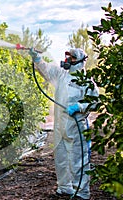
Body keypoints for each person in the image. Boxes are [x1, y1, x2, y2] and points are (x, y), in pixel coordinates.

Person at [29, 48, 99, 200]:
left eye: (72, 58)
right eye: (67, 57)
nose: (67, 61)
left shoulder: (86, 82)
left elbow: (95, 102)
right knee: (61, 158)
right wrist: (37, 59)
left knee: (78, 159)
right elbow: (47, 70)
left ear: (80, 62)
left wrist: (79, 107)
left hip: (76, 126)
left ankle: (81, 192)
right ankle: (65, 187)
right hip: (60, 125)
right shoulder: (62, 75)